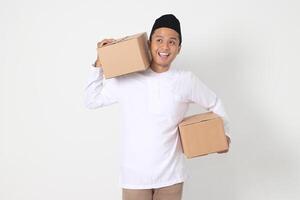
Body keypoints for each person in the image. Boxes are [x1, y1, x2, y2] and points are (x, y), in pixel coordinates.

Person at [84, 14, 231, 200]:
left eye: (172, 42)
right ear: (148, 43)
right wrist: (99, 64)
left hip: (171, 177)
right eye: (159, 40)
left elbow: (215, 102)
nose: (164, 47)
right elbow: (91, 100)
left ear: (179, 48)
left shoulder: (185, 80)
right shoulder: (127, 78)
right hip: (134, 178)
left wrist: (223, 135)